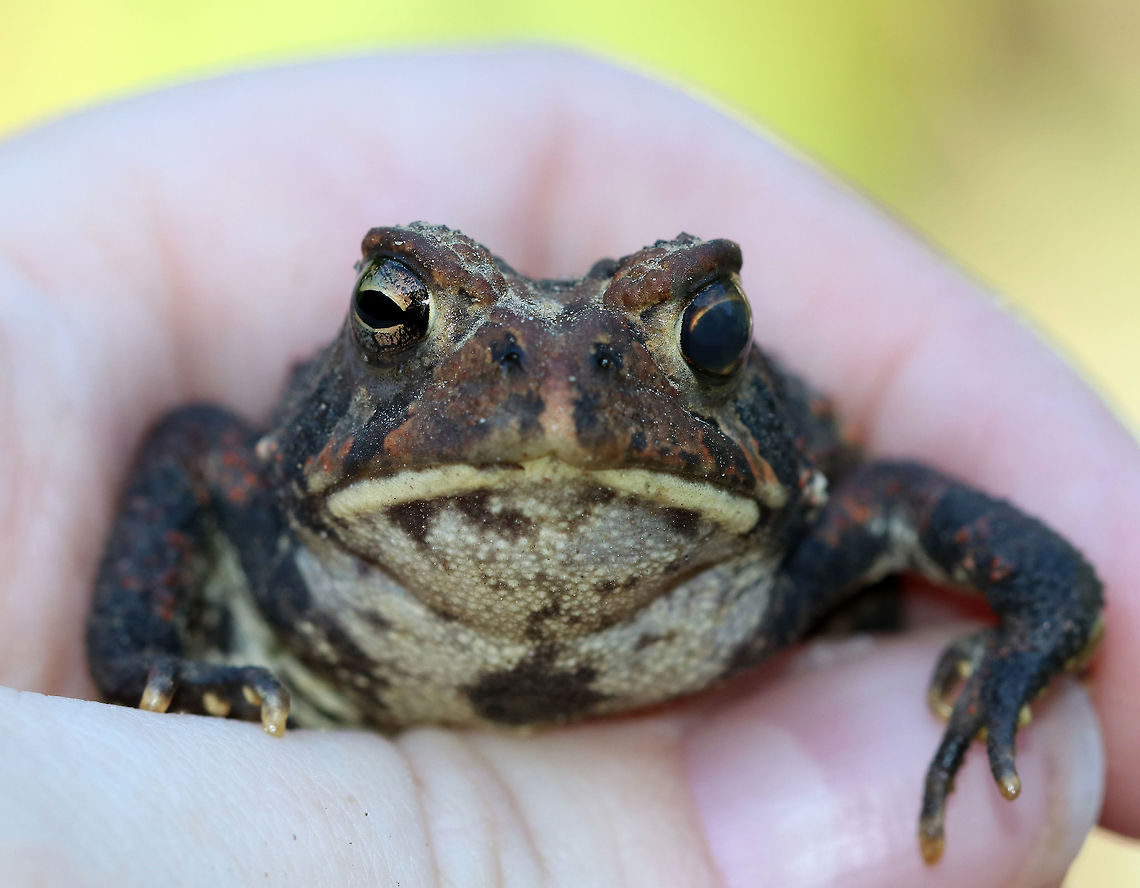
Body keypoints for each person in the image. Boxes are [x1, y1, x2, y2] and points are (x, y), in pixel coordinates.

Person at [0, 51, 1133, 886]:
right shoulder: (268, 524)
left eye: (703, 336)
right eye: (401, 317)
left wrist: (1030, 639)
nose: (555, 402)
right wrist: (141, 659)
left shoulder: (809, 545)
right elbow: (200, 447)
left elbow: (1044, 578)